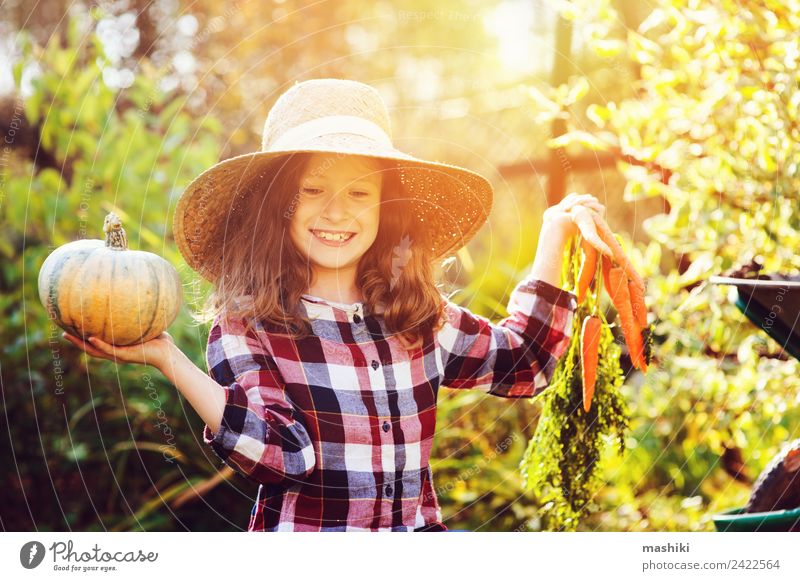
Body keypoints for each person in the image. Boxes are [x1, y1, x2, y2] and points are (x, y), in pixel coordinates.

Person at [63, 78, 610, 531]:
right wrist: (169, 361)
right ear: (280, 203)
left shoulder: (416, 316)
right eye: (313, 189)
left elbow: (526, 363)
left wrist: (553, 233)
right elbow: (280, 456)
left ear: (384, 208)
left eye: (358, 193)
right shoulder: (249, 329)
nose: (336, 212)